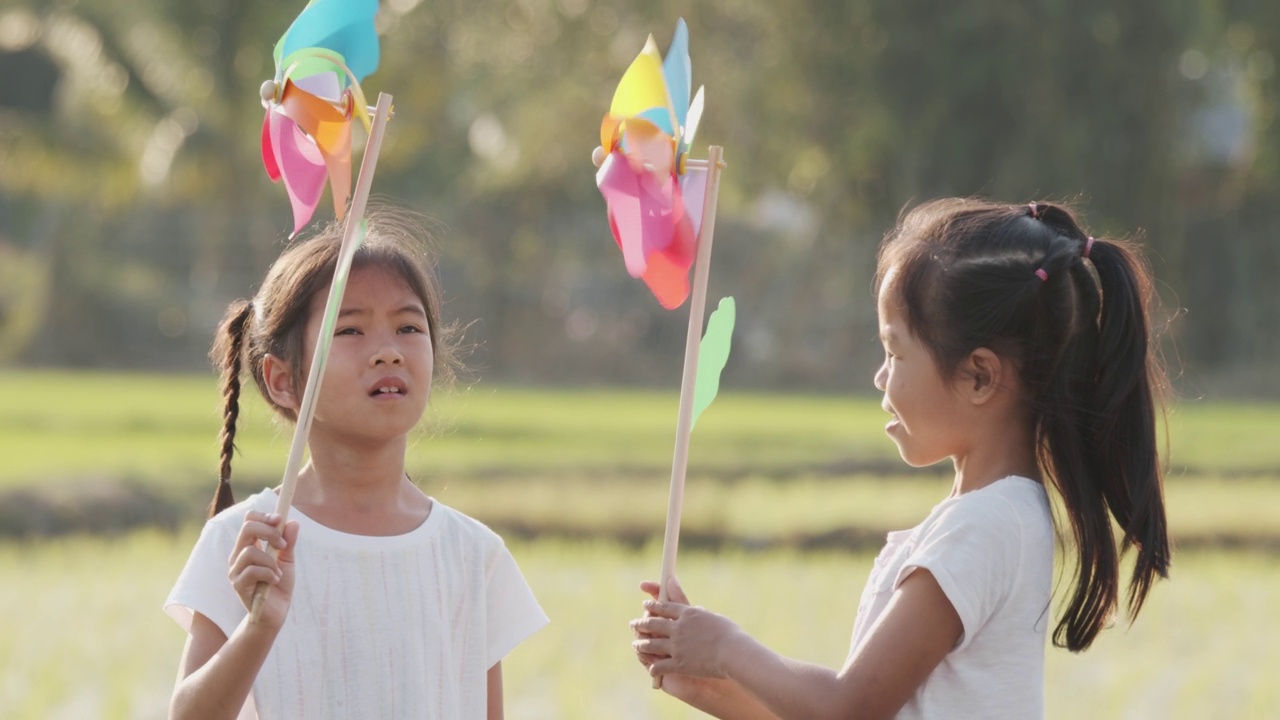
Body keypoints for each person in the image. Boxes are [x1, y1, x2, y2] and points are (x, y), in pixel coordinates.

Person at [630, 198, 1171, 719]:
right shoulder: (994, 517)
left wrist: (726, 647)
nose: (880, 376)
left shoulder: (982, 526)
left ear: (979, 376)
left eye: (895, 352)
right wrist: (704, 681)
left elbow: (848, 710)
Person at [166, 207, 547, 720]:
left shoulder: (471, 555)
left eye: (408, 327)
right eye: (349, 332)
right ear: (282, 379)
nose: (388, 352)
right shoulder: (250, 542)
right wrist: (259, 627)